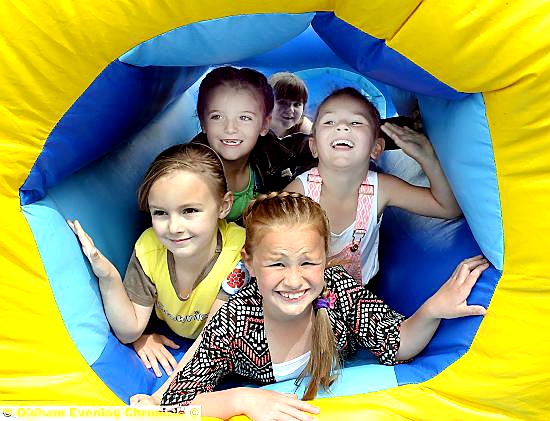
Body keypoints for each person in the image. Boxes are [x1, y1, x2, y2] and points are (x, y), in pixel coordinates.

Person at [131, 193, 488, 421]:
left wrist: (432, 310)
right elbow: (179, 405)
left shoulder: (336, 294)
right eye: (276, 264)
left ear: (325, 260)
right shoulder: (235, 318)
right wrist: (242, 399)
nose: (294, 280)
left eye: (307, 263)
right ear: (249, 264)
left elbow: (398, 344)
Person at [68, 143, 249, 387]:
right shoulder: (150, 249)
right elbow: (129, 329)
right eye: (161, 213)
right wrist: (107, 275)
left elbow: (211, 340)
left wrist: (161, 396)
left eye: (190, 211)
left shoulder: (239, 252)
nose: (174, 227)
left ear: (224, 206)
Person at [286, 87, 462, 285]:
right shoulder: (298, 193)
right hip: (303, 292)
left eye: (356, 122)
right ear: (314, 147)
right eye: (329, 121)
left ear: (376, 148)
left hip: (359, 299)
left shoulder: (381, 189)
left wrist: (427, 158)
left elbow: (448, 207)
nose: (342, 126)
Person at [191, 66, 316, 223]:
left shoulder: (272, 155)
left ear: (264, 125)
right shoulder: (188, 172)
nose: (230, 129)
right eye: (217, 117)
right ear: (203, 122)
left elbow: (303, 148)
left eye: (245, 118)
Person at [268, 72, 313, 138]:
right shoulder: (256, 126)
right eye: (283, 103)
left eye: (296, 104)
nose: (291, 110)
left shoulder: (304, 127)